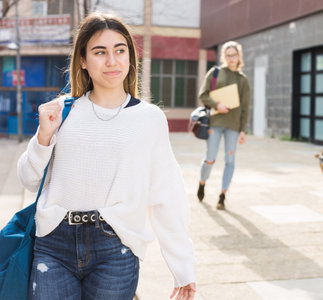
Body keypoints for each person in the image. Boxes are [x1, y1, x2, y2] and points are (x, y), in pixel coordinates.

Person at [17, 13, 196, 300]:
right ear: (83, 61)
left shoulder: (149, 119)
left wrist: (183, 267)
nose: (112, 61)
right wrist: (43, 138)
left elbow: (167, 194)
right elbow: (28, 179)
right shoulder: (62, 111)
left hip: (116, 249)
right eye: (100, 52)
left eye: (120, 50)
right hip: (53, 244)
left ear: (129, 57)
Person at [196, 41, 251, 210]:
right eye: (228, 55)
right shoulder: (215, 73)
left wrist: (242, 130)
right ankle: (202, 182)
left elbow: (245, 107)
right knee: (210, 158)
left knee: (230, 161)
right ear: (224, 57)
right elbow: (203, 94)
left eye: (234, 55)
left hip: (233, 126)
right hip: (216, 122)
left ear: (239, 56)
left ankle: (222, 195)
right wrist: (216, 105)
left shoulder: (243, 80)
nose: (231, 58)